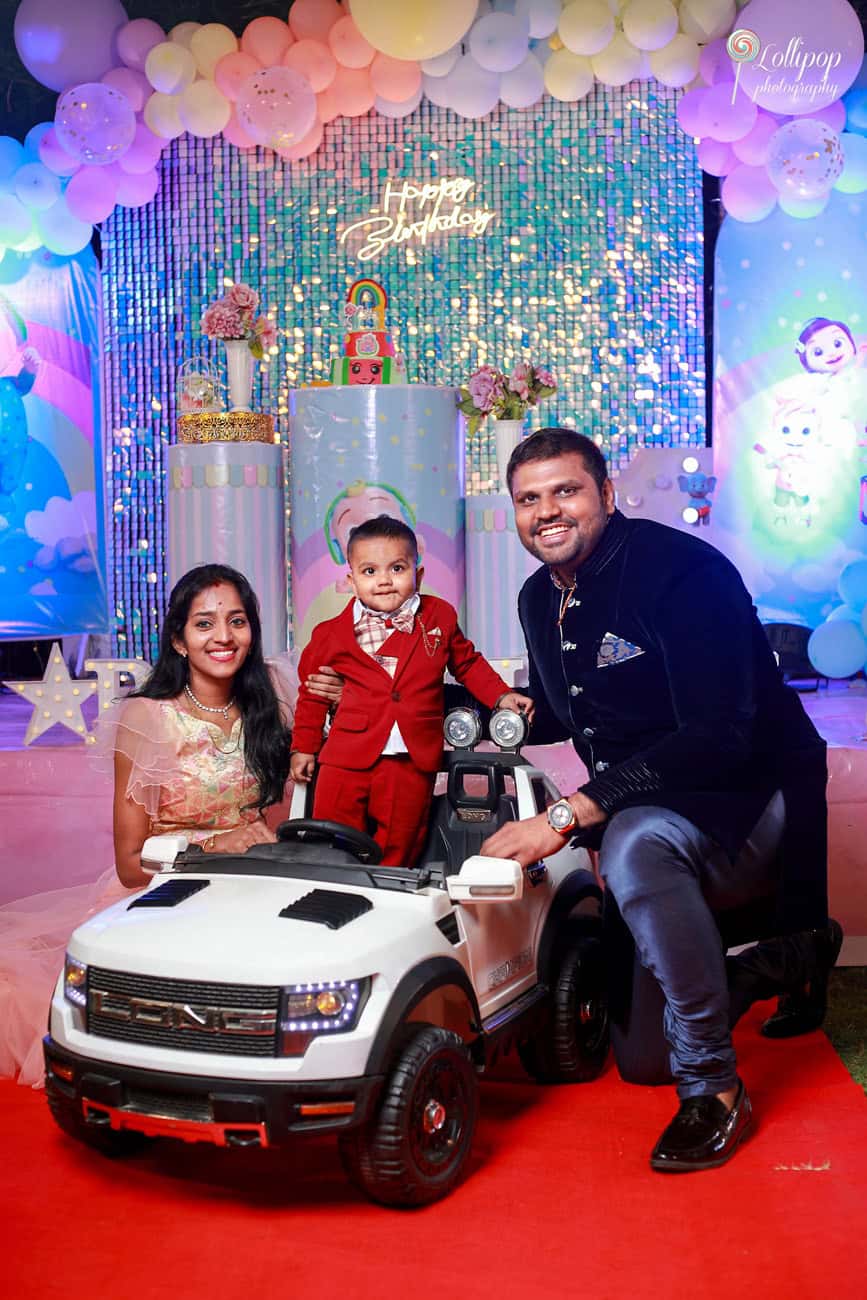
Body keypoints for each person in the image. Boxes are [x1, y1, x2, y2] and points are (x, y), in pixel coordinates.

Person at [482, 428, 841, 1173]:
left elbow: (717, 734)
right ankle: (783, 959)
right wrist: (492, 710)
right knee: (644, 1058)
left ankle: (713, 1091)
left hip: (745, 795)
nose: (546, 511)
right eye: (527, 499)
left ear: (606, 496)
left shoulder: (683, 572)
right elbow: (572, 707)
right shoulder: (533, 595)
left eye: (565, 490)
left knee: (632, 843)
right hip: (646, 803)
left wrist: (569, 814)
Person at [0, 563, 310, 1085]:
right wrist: (218, 842)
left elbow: (282, 816)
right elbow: (128, 864)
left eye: (237, 621)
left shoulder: (269, 707)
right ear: (180, 640)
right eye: (205, 623)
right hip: (162, 895)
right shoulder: (146, 717)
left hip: (250, 885)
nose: (223, 636)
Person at [290, 514, 534, 866]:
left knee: (400, 843)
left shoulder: (440, 618)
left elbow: (467, 664)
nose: (384, 581)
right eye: (370, 571)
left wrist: (500, 695)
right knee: (332, 837)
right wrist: (304, 747)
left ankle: (393, 903)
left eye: (397, 568)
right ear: (351, 580)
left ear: (418, 575)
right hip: (345, 758)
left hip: (410, 758)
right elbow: (312, 693)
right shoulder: (329, 634)